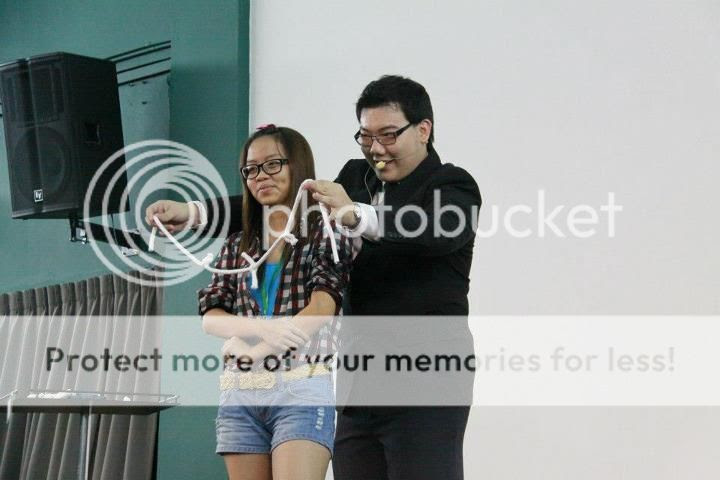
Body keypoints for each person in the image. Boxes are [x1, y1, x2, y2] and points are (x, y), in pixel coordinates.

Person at [147, 75, 481, 480]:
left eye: (388, 135)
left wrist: (355, 214)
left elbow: (431, 231)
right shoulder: (356, 177)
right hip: (358, 383)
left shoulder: (453, 185)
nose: (376, 148)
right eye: (366, 136)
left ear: (423, 129)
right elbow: (281, 206)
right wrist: (193, 212)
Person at [196, 125, 352, 480]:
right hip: (241, 393)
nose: (260, 176)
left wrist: (252, 350)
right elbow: (211, 316)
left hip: (301, 385)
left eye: (272, 164)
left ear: (297, 166)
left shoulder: (323, 232)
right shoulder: (238, 243)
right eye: (251, 169)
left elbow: (323, 307)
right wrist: (262, 330)